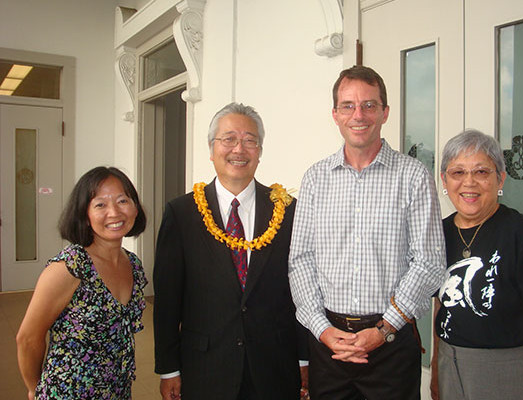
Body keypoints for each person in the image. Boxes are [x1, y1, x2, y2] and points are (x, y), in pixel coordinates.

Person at [288, 65, 446, 399]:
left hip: (391, 343)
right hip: (329, 345)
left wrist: (383, 328)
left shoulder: (414, 177)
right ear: (335, 114)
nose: (359, 115)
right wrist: (323, 330)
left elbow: (429, 262)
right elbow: (300, 260)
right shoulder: (316, 179)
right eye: (348, 105)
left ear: (385, 112)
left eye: (369, 105)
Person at [153, 102, 308, 400]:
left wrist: (304, 358)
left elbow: (300, 291)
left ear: (259, 152)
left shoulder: (287, 210)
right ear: (212, 150)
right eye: (229, 139)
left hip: (274, 366)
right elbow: (168, 298)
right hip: (205, 366)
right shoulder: (182, 213)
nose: (239, 149)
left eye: (250, 140)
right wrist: (169, 369)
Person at [430, 129, 523, 400]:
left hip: (507, 368)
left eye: (481, 172)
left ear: (500, 178)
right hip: (448, 362)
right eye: (458, 173)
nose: (469, 183)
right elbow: (441, 305)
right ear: (444, 180)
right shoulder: (437, 233)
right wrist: (435, 368)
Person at [16, 166, 147, 400]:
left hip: (117, 390)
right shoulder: (70, 267)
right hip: (68, 392)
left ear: (135, 207)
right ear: (84, 215)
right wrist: (34, 389)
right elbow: (27, 338)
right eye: (100, 205)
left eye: (122, 201)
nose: (114, 212)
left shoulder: (134, 265)